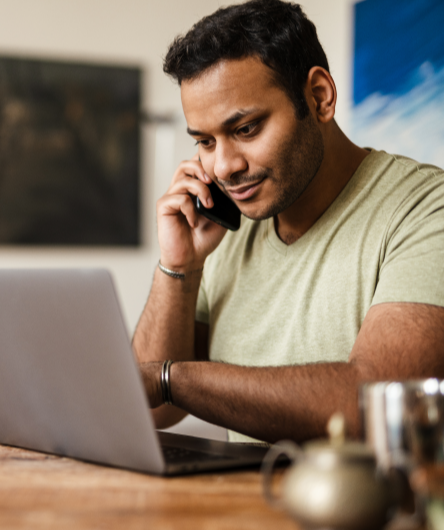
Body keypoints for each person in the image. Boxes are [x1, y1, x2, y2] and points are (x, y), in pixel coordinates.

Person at [134, 0, 444, 444]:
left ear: (319, 97)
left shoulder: (427, 209)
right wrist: (179, 268)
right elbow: (153, 412)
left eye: (245, 129)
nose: (223, 167)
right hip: (242, 510)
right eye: (204, 141)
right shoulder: (225, 232)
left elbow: (375, 405)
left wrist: (170, 379)